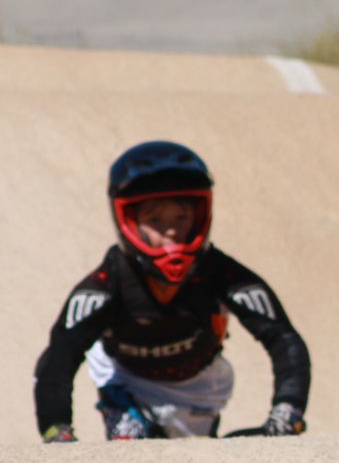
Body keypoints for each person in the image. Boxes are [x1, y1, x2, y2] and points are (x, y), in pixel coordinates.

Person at [34, 141, 310, 442]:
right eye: (155, 220)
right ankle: (120, 411)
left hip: (201, 387)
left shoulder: (224, 274)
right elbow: (59, 358)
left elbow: (283, 338)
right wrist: (56, 428)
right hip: (126, 380)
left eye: (182, 217)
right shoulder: (103, 287)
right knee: (132, 444)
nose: (171, 230)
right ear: (128, 222)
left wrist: (288, 410)